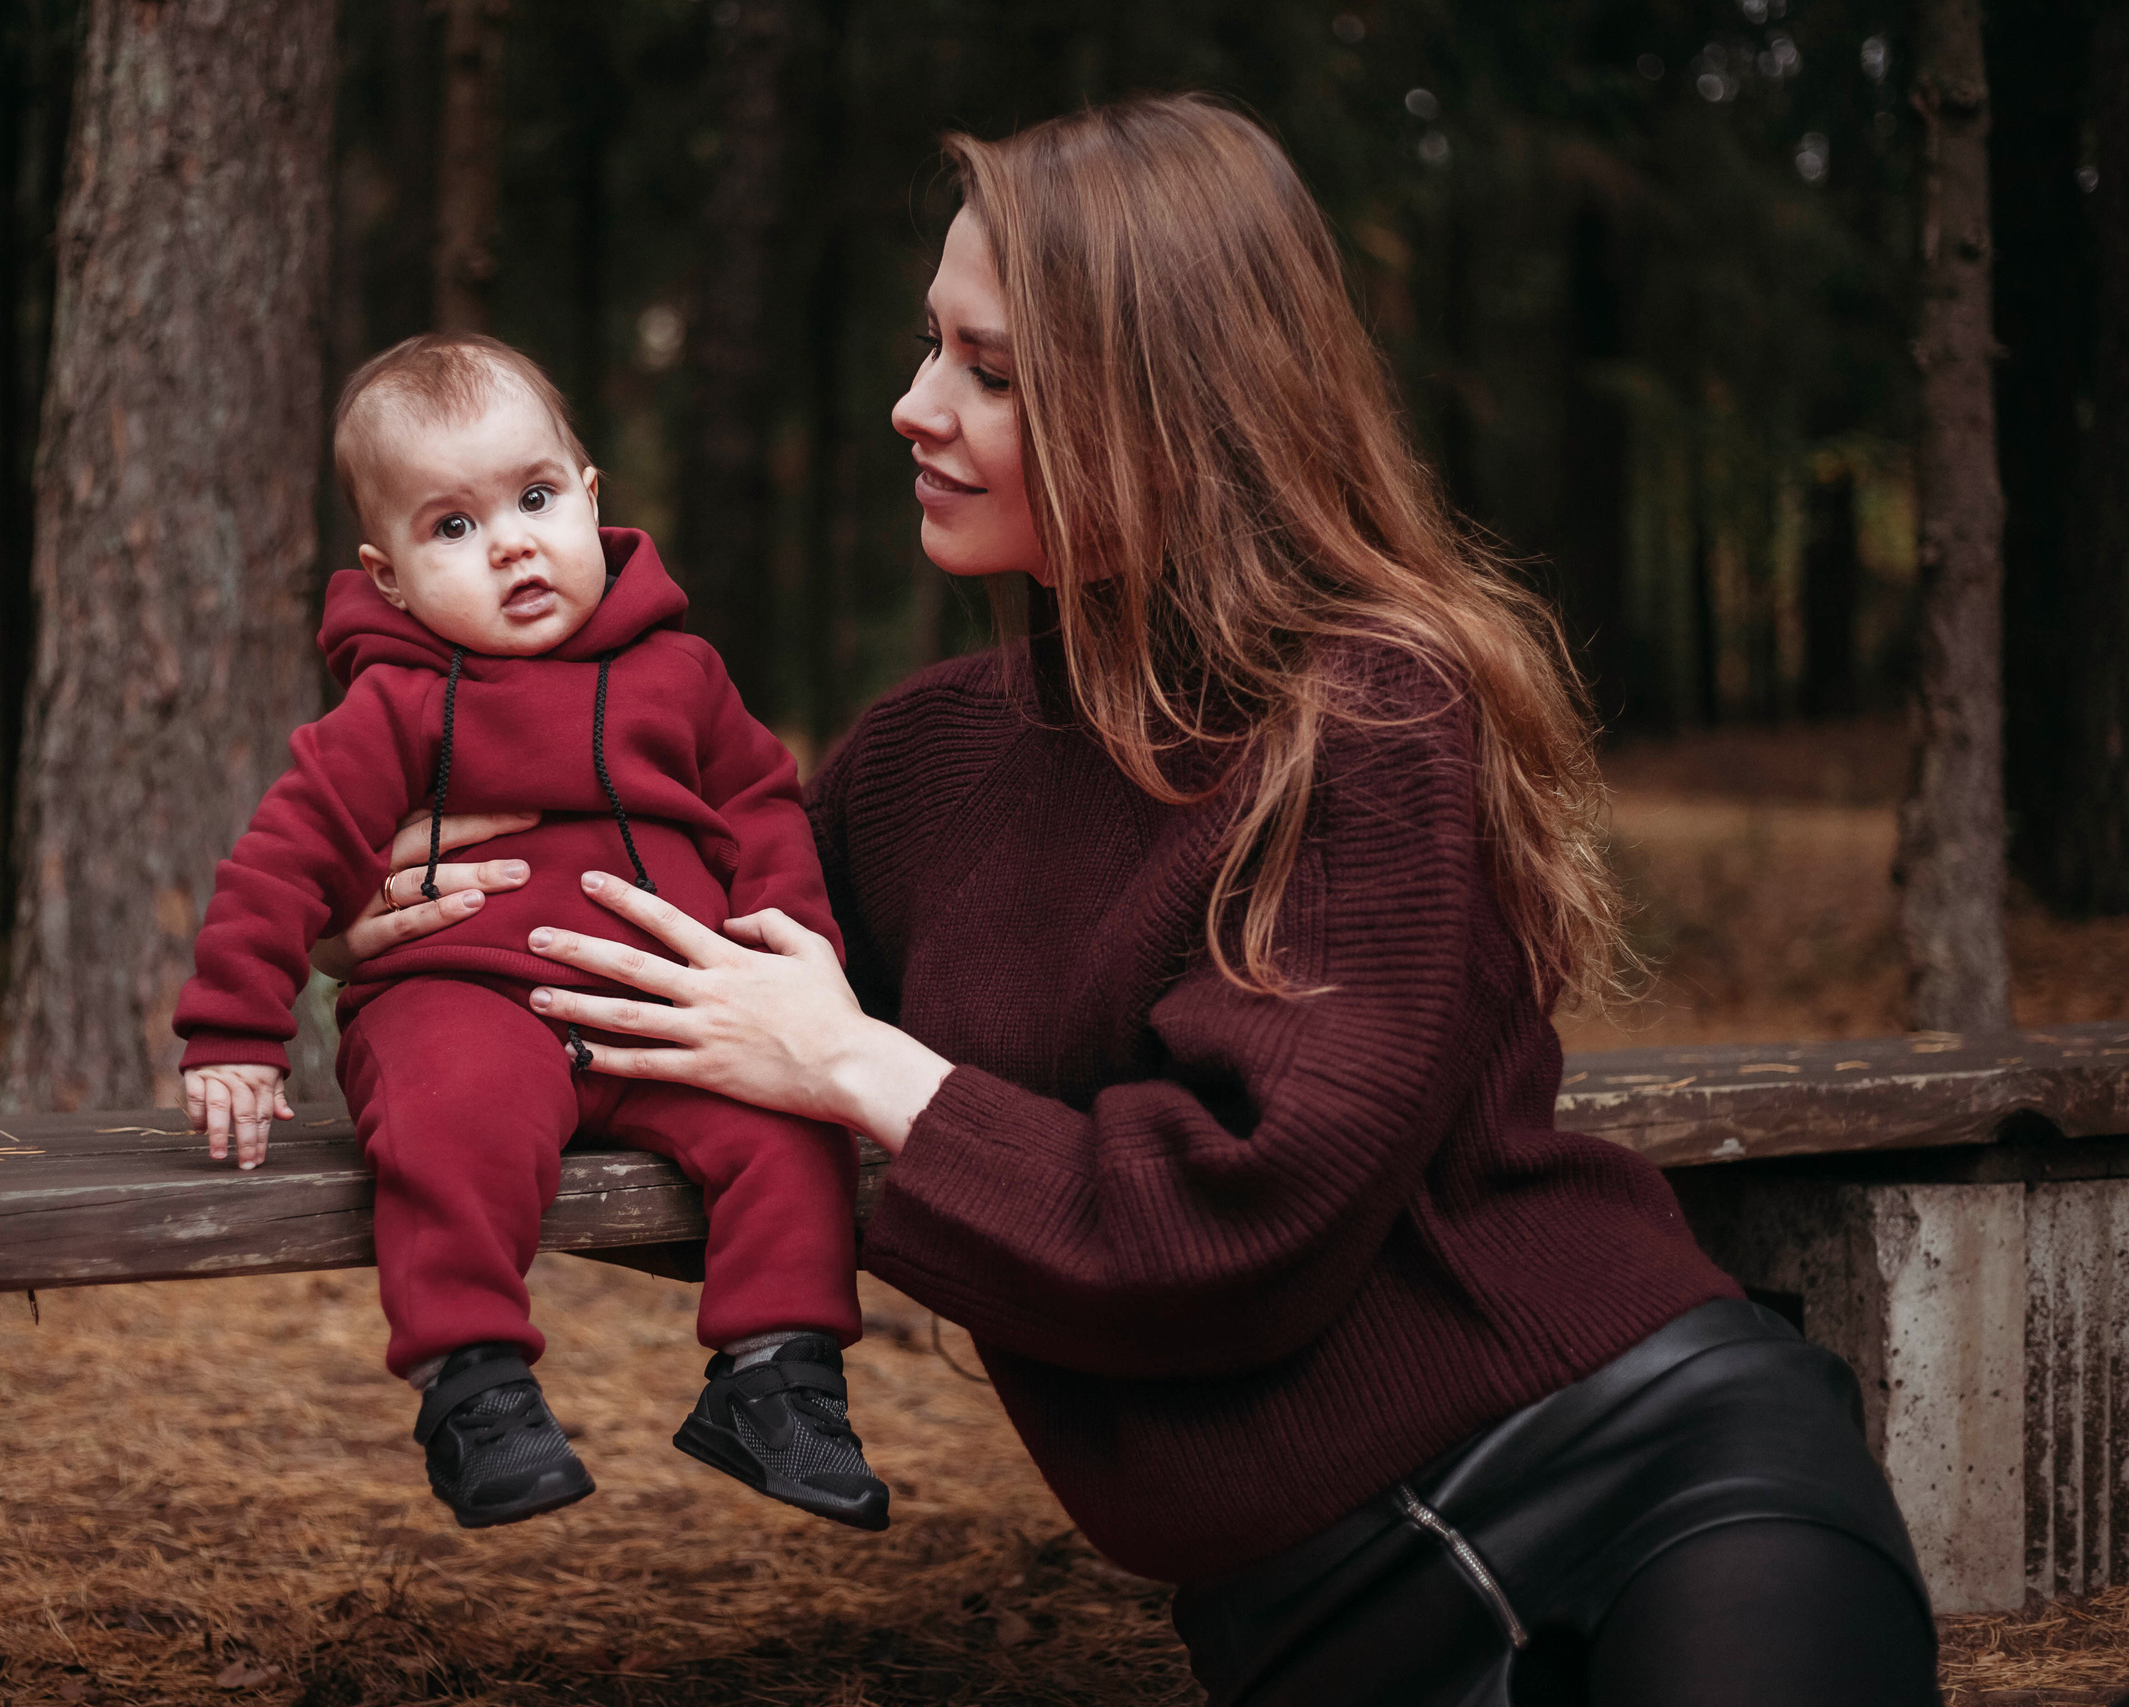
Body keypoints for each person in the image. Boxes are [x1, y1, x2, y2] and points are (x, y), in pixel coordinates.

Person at [326, 100, 1940, 1706]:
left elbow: (1245, 1221)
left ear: (1166, 409)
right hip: (1304, 1618)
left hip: (1647, 1465)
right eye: (924, 347)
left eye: (990, 371)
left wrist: (858, 1066)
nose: (909, 406)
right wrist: (428, 944)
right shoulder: (916, 769)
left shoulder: (1367, 713)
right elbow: (690, 1043)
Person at [173, 333, 889, 1536]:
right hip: (462, 999)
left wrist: (795, 967)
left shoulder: (685, 676)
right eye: (450, 527)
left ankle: (780, 1370)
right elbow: (283, 858)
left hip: (670, 1014)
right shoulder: (396, 703)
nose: (509, 542)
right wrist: (232, 1031)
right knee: (453, 1112)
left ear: (590, 497)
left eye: (535, 499)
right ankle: (475, 1385)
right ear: (388, 576)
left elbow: (763, 815)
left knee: (788, 1120)